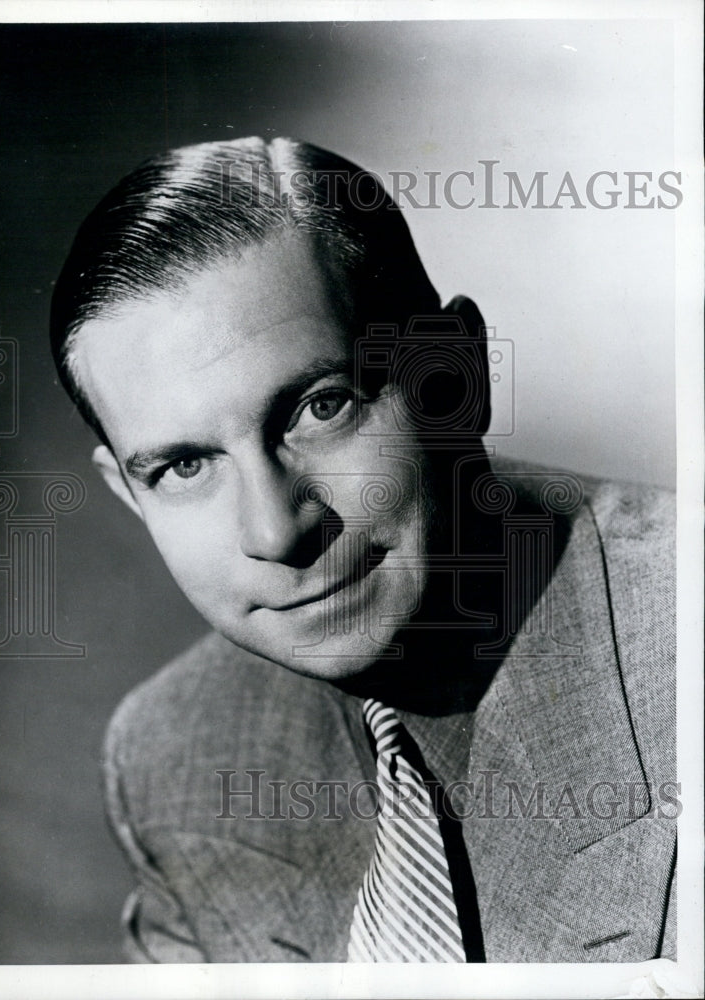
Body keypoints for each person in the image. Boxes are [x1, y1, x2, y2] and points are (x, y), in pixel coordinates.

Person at [50, 137, 676, 963]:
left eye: (321, 406)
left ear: (456, 377)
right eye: (185, 466)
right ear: (130, 494)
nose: (275, 531)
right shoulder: (176, 758)